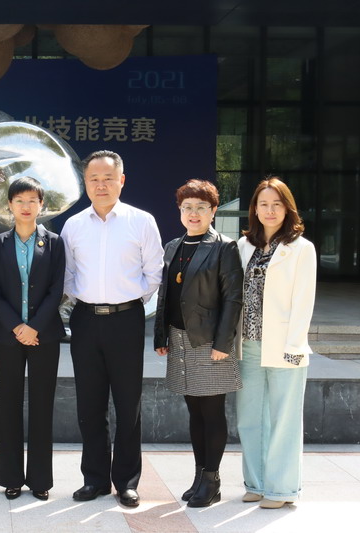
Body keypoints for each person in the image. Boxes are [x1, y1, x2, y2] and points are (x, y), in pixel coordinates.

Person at [60, 150, 164, 507]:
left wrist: (129, 301)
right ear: (85, 182)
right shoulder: (74, 225)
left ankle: (127, 481)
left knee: (127, 403)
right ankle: (94, 479)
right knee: (89, 405)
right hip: (86, 320)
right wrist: (87, 300)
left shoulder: (141, 221)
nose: (101, 185)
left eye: (108, 178)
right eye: (94, 179)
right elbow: (68, 274)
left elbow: (154, 273)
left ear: (122, 180)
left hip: (126, 320)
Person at [153, 179, 243, 508]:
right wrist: (161, 335)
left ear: (213, 211)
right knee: (194, 411)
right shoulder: (173, 246)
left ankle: (212, 480)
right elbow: (166, 295)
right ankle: (199, 476)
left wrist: (223, 343)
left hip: (209, 342)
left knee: (212, 411)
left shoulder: (224, 247)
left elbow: (233, 298)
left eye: (201, 207)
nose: (194, 213)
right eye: (187, 207)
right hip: (179, 339)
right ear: (179, 211)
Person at [236, 177, 317, 509]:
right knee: (249, 417)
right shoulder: (244, 246)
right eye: (263, 204)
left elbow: (303, 301)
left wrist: (294, 345)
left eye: (277, 204)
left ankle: (282, 490)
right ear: (255, 209)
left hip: (284, 345)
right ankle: (256, 483)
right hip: (248, 345)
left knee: (284, 420)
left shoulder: (301, 248)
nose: (270, 210)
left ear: (287, 208)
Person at [0, 177, 66, 502]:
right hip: (8, 336)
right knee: (8, 405)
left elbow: (56, 289)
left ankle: (40, 479)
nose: (26, 206)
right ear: (9, 205)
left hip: (44, 336)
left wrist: (34, 327)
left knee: (42, 406)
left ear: (41, 205)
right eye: (19, 200)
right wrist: (17, 326)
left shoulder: (55, 243)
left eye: (32, 200)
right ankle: (11, 478)